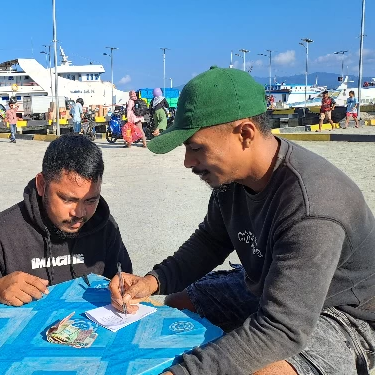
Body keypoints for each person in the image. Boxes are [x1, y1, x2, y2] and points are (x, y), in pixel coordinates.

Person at [109, 66, 375, 375]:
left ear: (245, 134)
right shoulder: (230, 182)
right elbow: (210, 241)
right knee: (178, 308)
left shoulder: (312, 204)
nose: (187, 162)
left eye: (196, 148)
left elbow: (281, 328)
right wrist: (152, 281)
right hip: (269, 288)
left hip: (342, 312)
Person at [0, 134, 132, 307]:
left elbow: (125, 281)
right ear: (41, 185)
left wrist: (127, 291)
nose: (79, 213)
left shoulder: (105, 227)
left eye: (90, 200)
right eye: (68, 199)